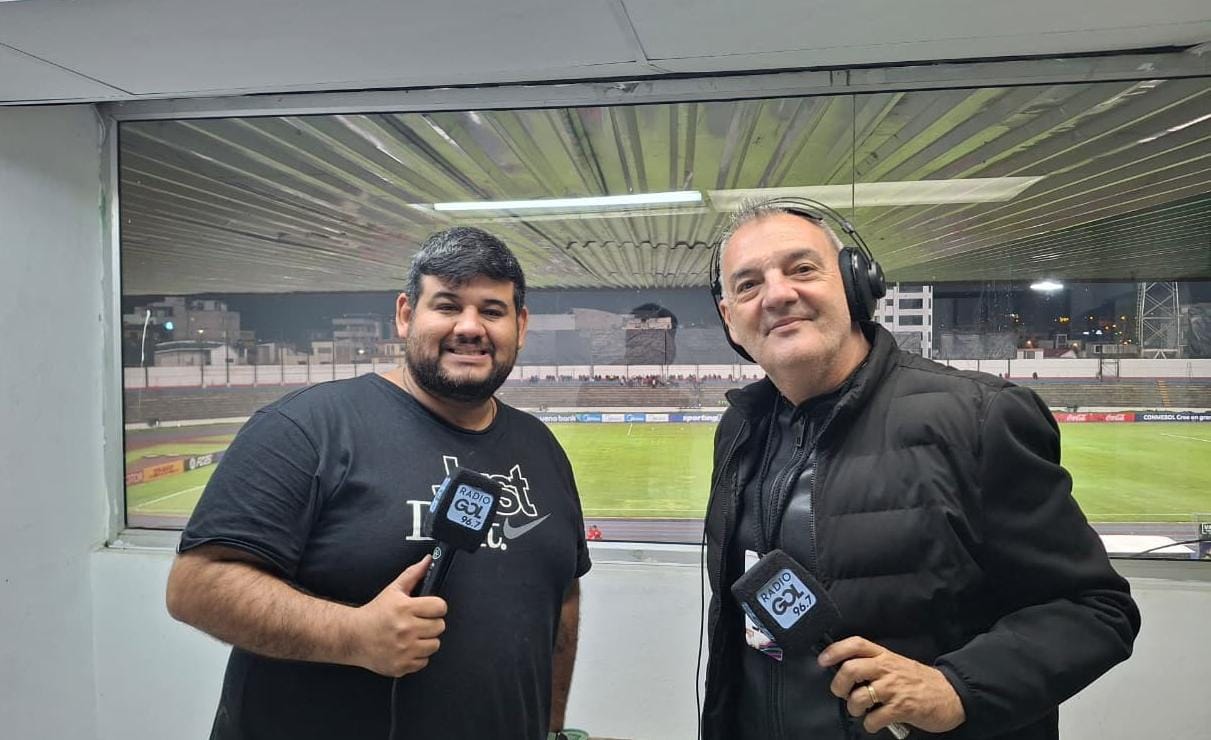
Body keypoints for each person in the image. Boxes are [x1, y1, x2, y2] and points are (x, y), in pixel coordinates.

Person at [701, 199, 1139, 740]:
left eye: (803, 269)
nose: (777, 295)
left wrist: (957, 688)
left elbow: (1097, 609)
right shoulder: (740, 429)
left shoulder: (979, 417)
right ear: (730, 319)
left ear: (854, 284)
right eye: (748, 285)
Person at [166, 227, 591, 740]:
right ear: (406, 315)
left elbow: (562, 597)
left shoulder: (541, 449)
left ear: (519, 326)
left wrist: (551, 727)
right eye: (447, 305)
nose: (470, 327)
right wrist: (353, 635)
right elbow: (196, 586)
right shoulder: (308, 428)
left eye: (492, 310)